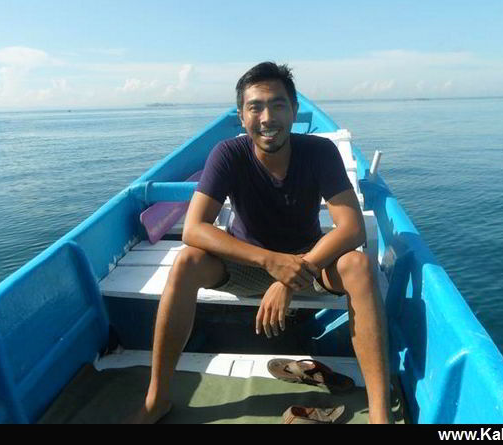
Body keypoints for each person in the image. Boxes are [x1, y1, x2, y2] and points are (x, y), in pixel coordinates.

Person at [130, 62, 392, 424]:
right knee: (186, 262)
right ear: (241, 116)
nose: (267, 117)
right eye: (255, 107)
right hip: (247, 265)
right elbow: (194, 229)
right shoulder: (228, 154)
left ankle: (380, 415)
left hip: (306, 263)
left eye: (278, 105)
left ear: (294, 111)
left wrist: (293, 273)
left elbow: (351, 229)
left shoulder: (319, 153)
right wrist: (270, 262)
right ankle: (157, 398)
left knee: (359, 266)